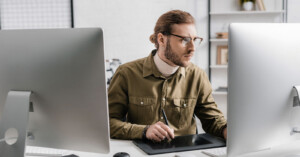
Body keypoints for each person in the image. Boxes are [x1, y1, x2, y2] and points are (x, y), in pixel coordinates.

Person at [108, 10, 227, 142]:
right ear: (162, 39)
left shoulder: (197, 75)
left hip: (186, 153)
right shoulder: (126, 73)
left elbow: (212, 120)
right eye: (185, 40)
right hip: (141, 152)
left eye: (194, 40)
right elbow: (108, 123)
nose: (192, 48)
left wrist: (226, 130)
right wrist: (144, 130)